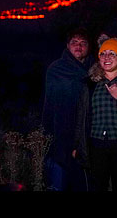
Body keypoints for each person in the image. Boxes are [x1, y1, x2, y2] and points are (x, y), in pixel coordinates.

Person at [73, 36, 117, 191]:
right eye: (103, 54)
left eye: (112, 53)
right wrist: (77, 144)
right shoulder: (90, 83)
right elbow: (82, 116)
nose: (107, 57)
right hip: (96, 144)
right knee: (97, 186)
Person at [41, 27, 94, 191]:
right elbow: (50, 104)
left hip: (89, 134)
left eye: (83, 43)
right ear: (67, 45)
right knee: (61, 180)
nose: (79, 46)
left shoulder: (96, 68)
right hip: (62, 132)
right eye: (74, 42)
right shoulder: (57, 69)